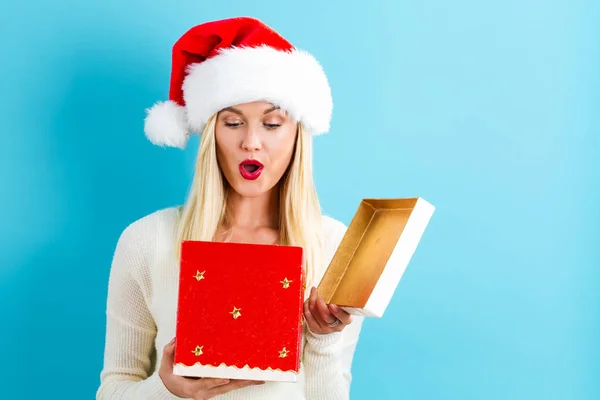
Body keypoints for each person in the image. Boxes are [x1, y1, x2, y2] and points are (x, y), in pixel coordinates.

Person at [96, 16, 364, 400]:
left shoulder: (335, 244)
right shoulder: (146, 240)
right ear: (211, 134)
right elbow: (113, 390)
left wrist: (321, 342)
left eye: (271, 124)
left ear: (297, 137)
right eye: (233, 122)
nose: (251, 142)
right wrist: (166, 388)